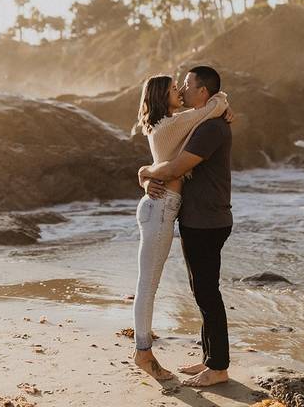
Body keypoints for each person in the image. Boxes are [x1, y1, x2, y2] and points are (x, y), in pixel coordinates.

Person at [130, 73, 231, 381]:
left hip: (166, 209)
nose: (181, 91)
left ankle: (210, 360)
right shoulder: (171, 127)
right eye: (175, 88)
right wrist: (145, 171)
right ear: (163, 96)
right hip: (160, 210)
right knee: (148, 285)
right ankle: (143, 352)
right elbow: (208, 110)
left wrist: (145, 172)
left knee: (175, 286)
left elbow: (207, 113)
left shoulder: (179, 124)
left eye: (184, 86)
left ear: (201, 89)